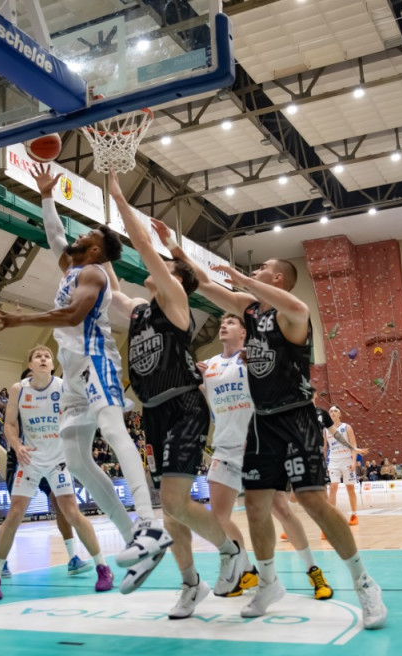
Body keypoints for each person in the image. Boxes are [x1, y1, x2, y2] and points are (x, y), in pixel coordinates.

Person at [166, 245, 387, 627]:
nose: (257, 269)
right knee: (256, 505)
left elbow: (295, 307)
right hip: (261, 422)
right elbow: (203, 284)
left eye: (264, 267)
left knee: (313, 502)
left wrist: (242, 280)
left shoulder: (293, 313)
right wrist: (174, 248)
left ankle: (364, 582)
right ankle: (268, 582)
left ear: (278, 278)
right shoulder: (249, 310)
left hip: (295, 416)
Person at [0, 164, 172, 593]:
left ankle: (149, 523)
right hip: (72, 374)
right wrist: (46, 196)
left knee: (113, 427)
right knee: (77, 461)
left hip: (95, 360)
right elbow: (54, 236)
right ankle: (135, 541)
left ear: (96, 249)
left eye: (87, 233)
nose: (80, 233)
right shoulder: (73, 267)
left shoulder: (94, 274)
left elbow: (72, 315)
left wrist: (20, 320)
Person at [104, 172, 244, 618]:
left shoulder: (174, 301)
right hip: (153, 414)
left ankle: (231, 552)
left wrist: (118, 197)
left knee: (174, 502)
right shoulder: (139, 310)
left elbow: (144, 245)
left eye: (163, 268)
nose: (151, 269)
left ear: (175, 279)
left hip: (184, 406)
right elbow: (111, 291)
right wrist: (101, 254)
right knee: (170, 513)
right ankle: (191, 585)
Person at [200, 314, 333, 600]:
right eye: (222, 321)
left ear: (244, 333)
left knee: (281, 510)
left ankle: (313, 570)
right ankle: (246, 569)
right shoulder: (207, 366)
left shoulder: (255, 360)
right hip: (224, 447)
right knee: (218, 517)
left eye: (231, 322)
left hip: (258, 444)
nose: (223, 325)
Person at [0, 346, 114, 600]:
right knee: (15, 513)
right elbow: (9, 424)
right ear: (30, 365)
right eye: (38, 356)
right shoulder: (18, 389)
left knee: (71, 512)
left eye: (47, 357)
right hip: (29, 459)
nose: (43, 359)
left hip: (58, 460)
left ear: (52, 365)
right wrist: (17, 445)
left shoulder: (65, 387)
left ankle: (102, 567)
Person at [326, 405, 367, 527]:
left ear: (340, 414)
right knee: (333, 486)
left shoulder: (346, 427)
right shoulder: (325, 429)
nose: (333, 413)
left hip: (346, 460)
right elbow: (325, 448)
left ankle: (354, 515)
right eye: (331, 411)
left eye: (335, 411)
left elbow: (354, 445)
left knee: (350, 488)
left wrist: (353, 461)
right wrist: (324, 463)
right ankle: (331, 517)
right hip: (333, 461)